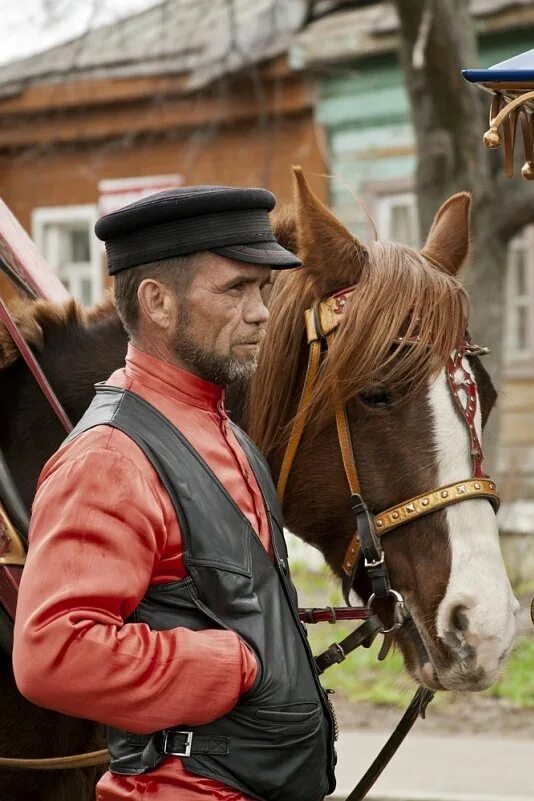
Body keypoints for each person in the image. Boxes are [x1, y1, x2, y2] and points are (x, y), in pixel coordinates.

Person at [12, 186, 336, 801]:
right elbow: (54, 651)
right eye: (235, 290)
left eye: (264, 289)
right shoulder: (110, 458)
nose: (262, 312)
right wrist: (235, 666)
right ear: (158, 302)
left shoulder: (225, 432)